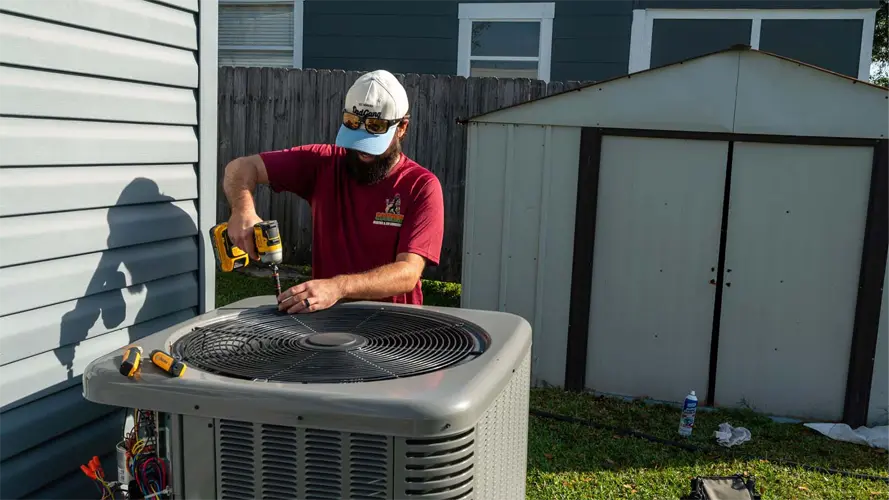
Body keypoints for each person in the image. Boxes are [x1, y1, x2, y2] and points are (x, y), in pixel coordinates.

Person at [222, 69, 445, 314]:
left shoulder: (421, 185)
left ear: (402, 127)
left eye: (373, 138)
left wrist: (338, 287)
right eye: (355, 134)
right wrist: (243, 211)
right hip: (327, 323)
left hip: (394, 331)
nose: (363, 152)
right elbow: (241, 167)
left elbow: (407, 273)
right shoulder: (323, 163)